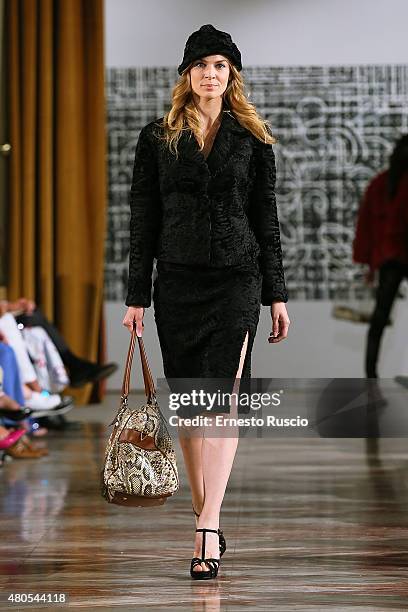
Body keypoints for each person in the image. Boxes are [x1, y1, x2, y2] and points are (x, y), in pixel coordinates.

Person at [122, 24, 290, 580]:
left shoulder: (254, 138)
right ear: (186, 75)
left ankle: (206, 528)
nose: (210, 75)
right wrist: (135, 297)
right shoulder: (156, 139)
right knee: (192, 409)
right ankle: (206, 511)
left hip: (237, 281)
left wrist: (276, 296)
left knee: (222, 404)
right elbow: (141, 224)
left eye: (220, 66)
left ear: (231, 76)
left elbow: (268, 222)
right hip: (176, 283)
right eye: (201, 66)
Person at [353, 134, 408, 380]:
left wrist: (368, 262)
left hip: (388, 257)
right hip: (397, 253)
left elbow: (366, 225)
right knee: (379, 319)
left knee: (379, 319)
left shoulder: (381, 184)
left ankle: (370, 375)